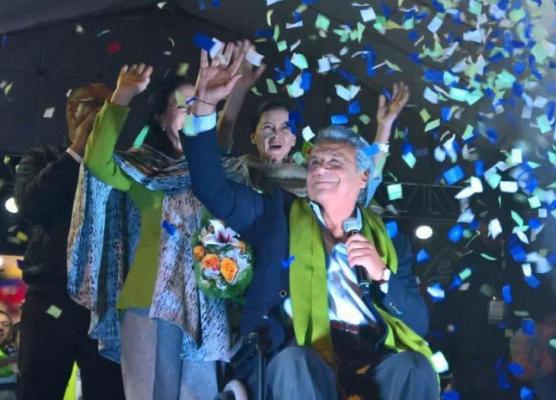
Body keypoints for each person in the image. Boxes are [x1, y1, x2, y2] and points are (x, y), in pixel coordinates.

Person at [180, 46, 438, 399]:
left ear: (363, 177)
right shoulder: (277, 214)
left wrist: (381, 274)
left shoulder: (390, 242)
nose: (320, 168)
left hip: (370, 354)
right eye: (315, 162)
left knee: (415, 367)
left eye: (334, 162)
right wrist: (205, 106)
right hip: (298, 348)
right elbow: (211, 187)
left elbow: (418, 324)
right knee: (295, 362)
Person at [67, 48, 244, 399]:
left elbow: (222, 141)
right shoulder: (144, 169)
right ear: (162, 118)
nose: (191, 110)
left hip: (206, 305)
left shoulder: (219, 172)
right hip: (147, 300)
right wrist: (122, 96)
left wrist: (236, 92)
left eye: (197, 104)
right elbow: (98, 163)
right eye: (182, 105)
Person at [13, 84, 125, 399]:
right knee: (38, 389)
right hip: (51, 294)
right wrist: (77, 149)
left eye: (112, 107)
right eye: (96, 104)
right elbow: (31, 204)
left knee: (108, 390)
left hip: (104, 302)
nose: (103, 113)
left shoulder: (121, 167)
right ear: (72, 109)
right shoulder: (42, 158)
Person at [217, 41, 410, 202]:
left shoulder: (314, 178)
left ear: (293, 139)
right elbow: (215, 152)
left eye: (285, 128)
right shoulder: (243, 169)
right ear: (253, 136)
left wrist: (384, 127)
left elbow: (363, 181)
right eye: (268, 127)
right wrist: (238, 90)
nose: (276, 134)